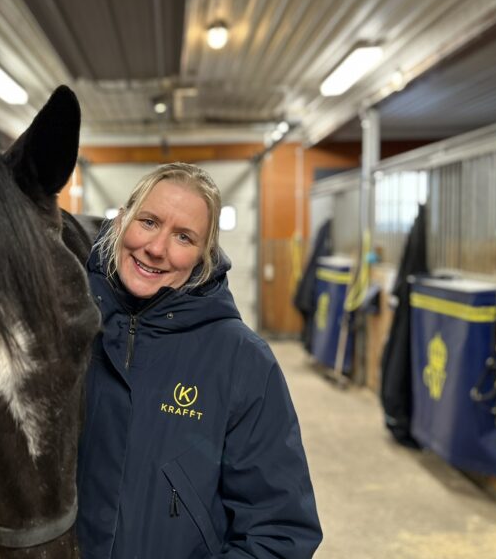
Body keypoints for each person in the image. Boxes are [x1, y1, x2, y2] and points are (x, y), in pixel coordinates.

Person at [76, 163, 322, 558]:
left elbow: (280, 531)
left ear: (203, 256)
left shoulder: (241, 360)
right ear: (122, 220)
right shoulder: (62, 329)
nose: (156, 248)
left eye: (183, 237)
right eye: (149, 221)